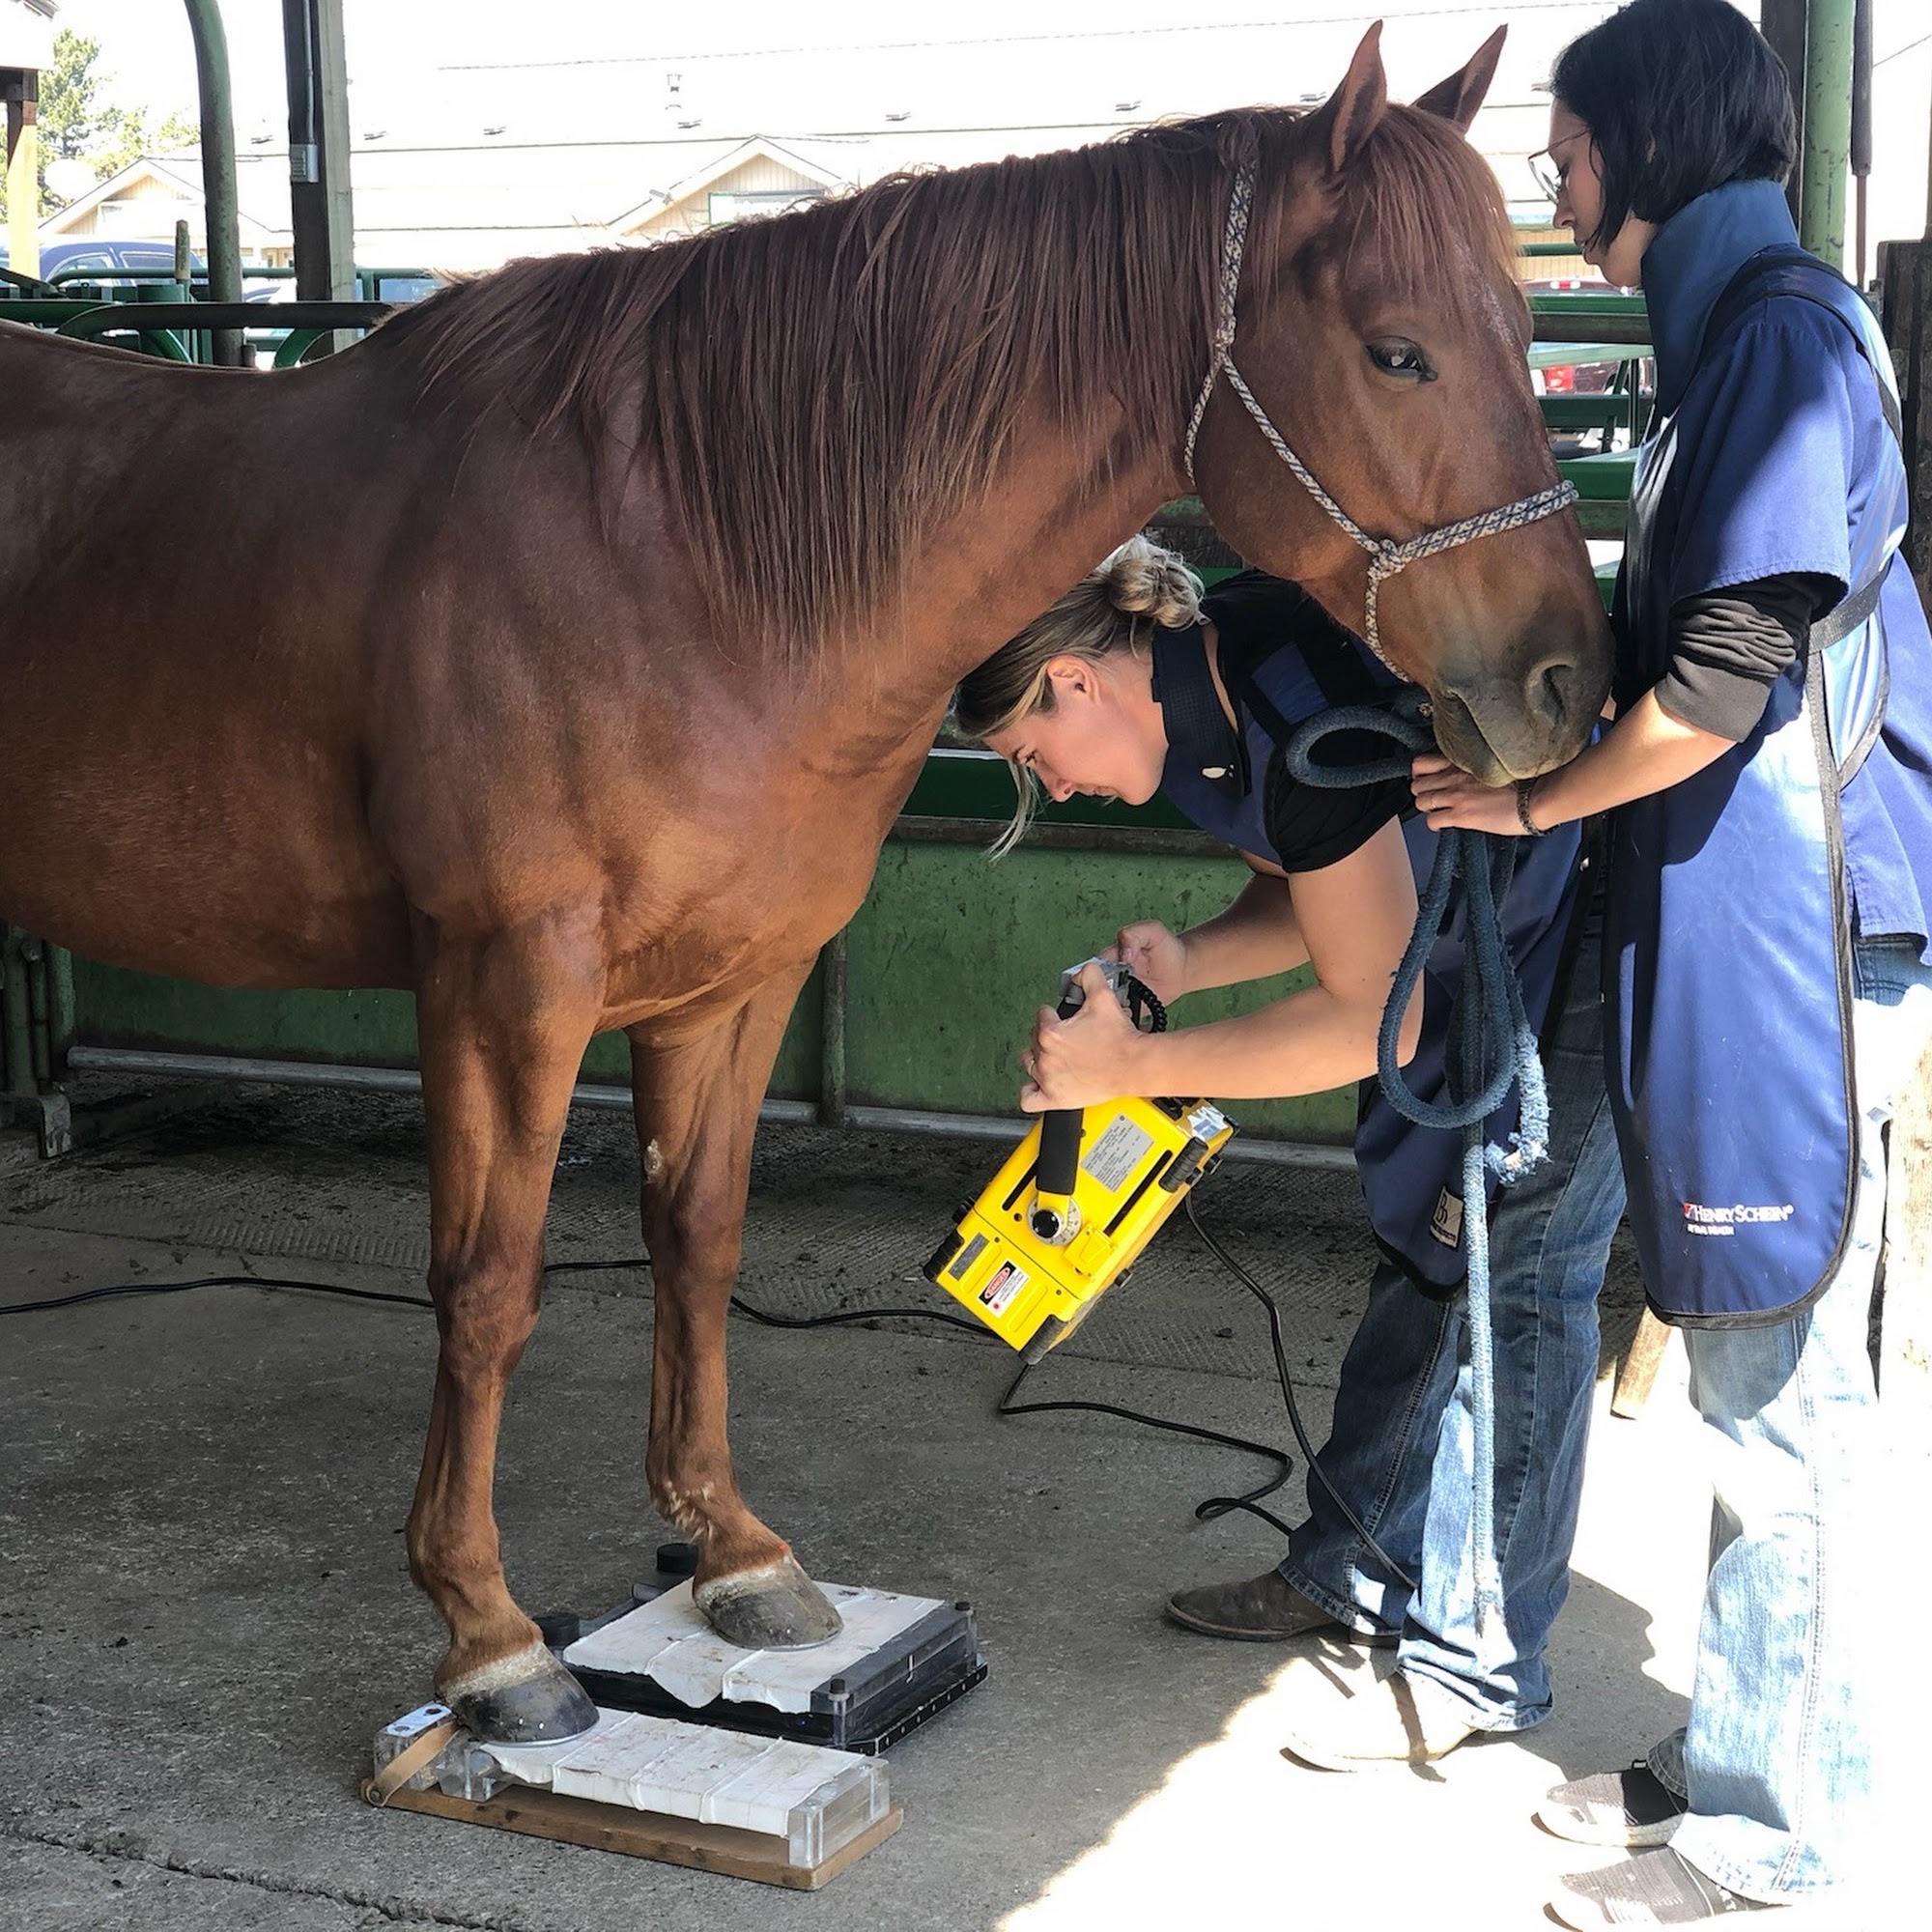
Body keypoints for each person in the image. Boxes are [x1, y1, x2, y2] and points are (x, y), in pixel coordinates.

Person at [1414, 3, 1932, 1923]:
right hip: (1745, 920)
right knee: (1741, 1384)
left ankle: (1784, 1839)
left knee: (1783, 1401)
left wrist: (1531, 816)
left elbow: (1724, 679)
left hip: (1810, 935)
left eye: (1561, 155)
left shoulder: (1785, 338)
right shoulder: (1722, 347)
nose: (1554, 190)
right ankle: (1733, 1756)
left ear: (1641, 146)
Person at [953, 538, 1627, 1768]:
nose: (1044, 785)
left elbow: (1372, 1012)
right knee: (1427, 1244)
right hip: (1467, 930)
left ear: (1071, 681)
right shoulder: (1210, 685)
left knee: (1515, 1276)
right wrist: (1189, 963)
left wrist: (1137, 1070)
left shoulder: (1281, 693)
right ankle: (1350, 1569)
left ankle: (1477, 1663)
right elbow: (1322, 889)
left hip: (1585, 921)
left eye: (1026, 756)